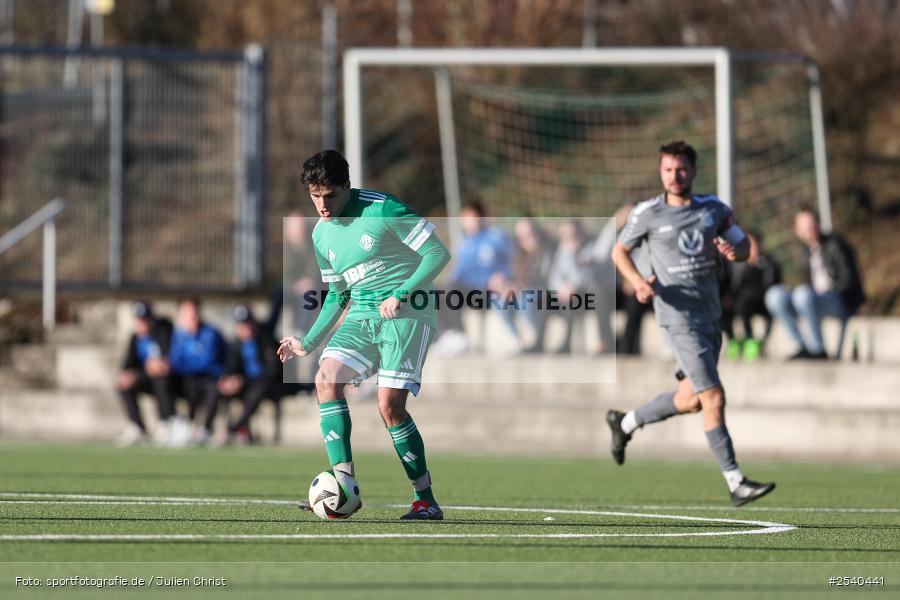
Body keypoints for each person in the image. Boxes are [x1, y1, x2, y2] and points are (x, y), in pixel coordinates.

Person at [278, 149, 451, 520]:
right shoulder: (321, 235)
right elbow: (338, 295)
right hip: (362, 316)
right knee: (325, 378)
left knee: (389, 405)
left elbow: (437, 254)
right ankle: (343, 487)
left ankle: (425, 500)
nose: (322, 205)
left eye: (330, 196)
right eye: (315, 196)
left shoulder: (383, 208)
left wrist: (400, 293)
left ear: (346, 186)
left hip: (408, 313)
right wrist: (308, 343)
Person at [607, 140, 775, 507]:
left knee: (691, 400)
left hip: (710, 315)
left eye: (680, 169)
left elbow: (744, 246)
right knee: (714, 395)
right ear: (660, 172)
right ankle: (735, 481)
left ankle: (625, 423)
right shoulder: (647, 213)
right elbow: (619, 251)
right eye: (667, 169)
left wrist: (738, 250)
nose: (674, 176)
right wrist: (637, 282)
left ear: (693, 171)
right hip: (677, 318)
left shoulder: (713, 209)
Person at [764, 207, 864, 360]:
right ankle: (802, 346)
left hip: (839, 299)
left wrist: (822, 293)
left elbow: (849, 280)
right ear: (797, 230)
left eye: (813, 224)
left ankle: (818, 349)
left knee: (803, 294)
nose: (811, 229)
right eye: (805, 226)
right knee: (774, 295)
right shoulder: (805, 250)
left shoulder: (835, 244)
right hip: (812, 298)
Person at [431, 201, 518, 355]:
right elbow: (458, 273)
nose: (469, 222)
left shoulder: (496, 236)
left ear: (481, 217)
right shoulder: (464, 243)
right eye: (465, 218)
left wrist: (503, 277)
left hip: (489, 291)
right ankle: (448, 335)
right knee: (435, 291)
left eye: (472, 218)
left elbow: (514, 260)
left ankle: (459, 336)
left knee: (452, 290)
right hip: (468, 291)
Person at [217, 304, 285, 445]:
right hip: (246, 384)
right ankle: (241, 430)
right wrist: (229, 380)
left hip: (269, 385)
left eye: (247, 324)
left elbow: (272, 370)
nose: (244, 328)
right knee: (222, 387)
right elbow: (231, 367)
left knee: (257, 389)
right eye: (241, 325)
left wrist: (243, 380)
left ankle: (235, 427)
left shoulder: (266, 339)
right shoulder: (236, 344)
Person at [115, 301, 175, 446]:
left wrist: (159, 364)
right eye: (139, 320)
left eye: (145, 319)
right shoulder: (135, 338)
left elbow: (169, 358)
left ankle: (165, 423)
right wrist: (130, 375)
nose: (142, 323)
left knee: (161, 378)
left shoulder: (163, 332)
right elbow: (127, 365)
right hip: (145, 378)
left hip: (170, 379)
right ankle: (138, 427)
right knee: (124, 384)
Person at [168, 297, 227, 445]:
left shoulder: (210, 334)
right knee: (165, 381)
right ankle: (175, 424)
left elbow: (208, 361)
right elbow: (174, 360)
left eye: (194, 313)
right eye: (187, 313)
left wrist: (187, 365)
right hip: (185, 379)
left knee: (213, 388)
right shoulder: (178, 335)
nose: (191, 317)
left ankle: (204, 430)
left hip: (208, 378)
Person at [721, 230, 781, 361]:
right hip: (741, 301)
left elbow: (772, 285)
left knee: (745, 303)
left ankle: (751, 340)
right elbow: (733, 285)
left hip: (761, 302)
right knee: (723, 306)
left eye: (753, 244)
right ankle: (733, 341)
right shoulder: (738, 265)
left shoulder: (768, 264)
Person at [547, 219, 595, 353]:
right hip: (563, 293)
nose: (567, 238)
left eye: (571, 234)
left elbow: (586, 278)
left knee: (573, 301)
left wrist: (573, 256)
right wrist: (561, 288)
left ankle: (566, 343)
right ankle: (538, 342)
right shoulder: (561, 251)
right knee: (541, 300)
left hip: (585, 295)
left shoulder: (590, 249)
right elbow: (554, 277)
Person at [512, 218, 554, 352]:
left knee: (525, 298)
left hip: (546, 292)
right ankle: (516, 340)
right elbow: (516, 277)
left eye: (530, 234)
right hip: (527, 290)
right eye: (522, 237)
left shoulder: (548, 249)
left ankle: (537, 339)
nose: (527, 239)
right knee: (498, 299)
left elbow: (546, 278)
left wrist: (522, 286)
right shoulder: (520, 254)